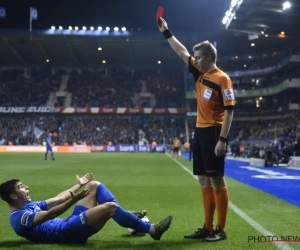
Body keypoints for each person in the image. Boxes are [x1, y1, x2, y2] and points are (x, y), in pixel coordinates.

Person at [157, 17, 235, 242]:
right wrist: (166, 32)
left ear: (209, 57)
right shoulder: (199, 73)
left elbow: (229, 111)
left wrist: (223, 139)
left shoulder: (223, 79)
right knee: (203, 180)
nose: (195, 61)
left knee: (217, 180)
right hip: (200, 132)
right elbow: (181, 52)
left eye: (199, 57)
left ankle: (221, 229)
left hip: (214, 132)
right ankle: (208, 228)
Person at [0, 173, 172, 244]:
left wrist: (78, 186)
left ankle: (126, 217)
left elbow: (58, 199)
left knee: (94, 185)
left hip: (69, 223)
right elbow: (50, 214)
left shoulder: (29, 205)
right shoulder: (18, 218)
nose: (27, 187)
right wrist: (74, 201)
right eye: (22, 187)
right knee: (110, 207)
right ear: (14, 196)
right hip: (67, 233)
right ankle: (152, 230)